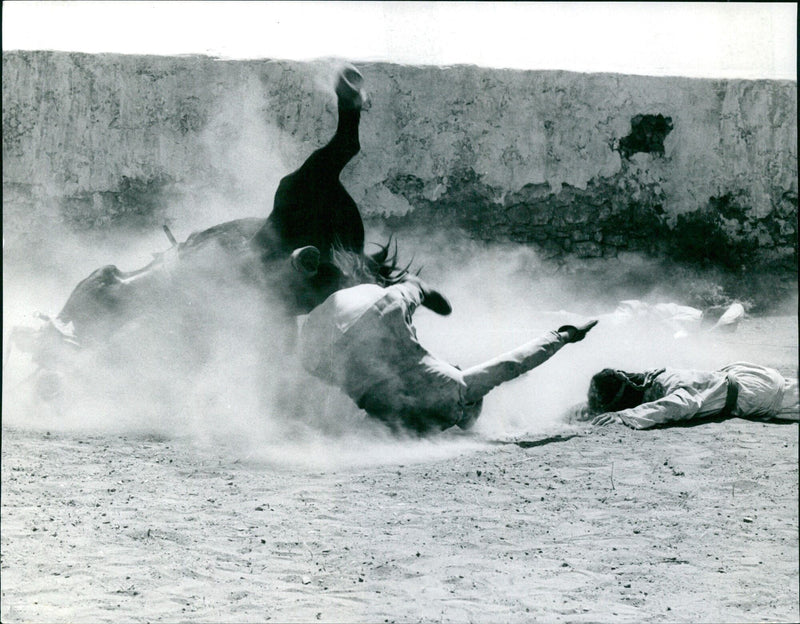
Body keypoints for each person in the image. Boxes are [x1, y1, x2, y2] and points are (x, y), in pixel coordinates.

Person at [295, 249, 598, 434]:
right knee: (339, 376)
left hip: (377, 317)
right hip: (321, 350)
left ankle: (418, 287)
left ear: (469, 406)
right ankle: (306, 280)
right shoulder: (414, 426)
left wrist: (564, 335)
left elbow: (512, 364)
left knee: (405, 292)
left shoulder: (461, 387)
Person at [574, 363, 799, 429]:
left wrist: (625, 416)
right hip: (746, 376)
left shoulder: (673, 390)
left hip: (757, 392)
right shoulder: (652, 377)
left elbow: (672, 407)